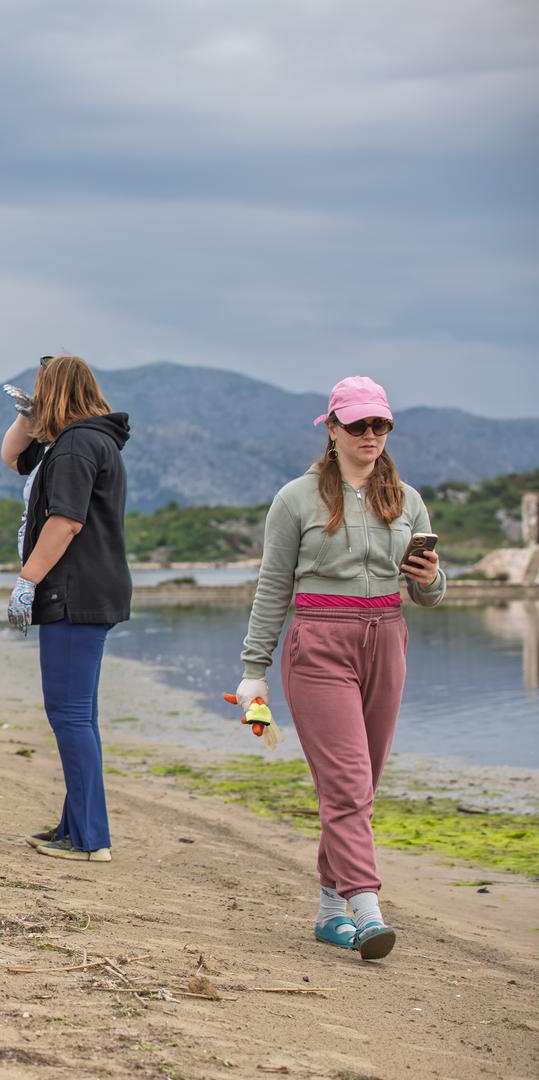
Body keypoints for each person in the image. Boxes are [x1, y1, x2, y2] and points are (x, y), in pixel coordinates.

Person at [237, 375, 445, 961]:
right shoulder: (295, 500)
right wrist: (254, 669)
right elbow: (272, 587)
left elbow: (431, 590)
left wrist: (432, 581)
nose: (370, 435)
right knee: (348, 783)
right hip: (319, 646)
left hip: (388, 640)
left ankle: (330, 911)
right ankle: (366, 905)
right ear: (331, 430)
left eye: (380, 425)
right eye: (357, 425)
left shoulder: (405, 498)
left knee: (359, 787)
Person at [1, 354, 131, 863]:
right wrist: (27, 415)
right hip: (90, 592)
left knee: (70, 714)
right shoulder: (76, 440)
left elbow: (66, 522)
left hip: (76, 594)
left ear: (55, 392)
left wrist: (26, 582)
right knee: (80, 715)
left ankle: (90, 838)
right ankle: (74, 824)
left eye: (41, 391)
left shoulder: (77, 445)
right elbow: (13, 458)